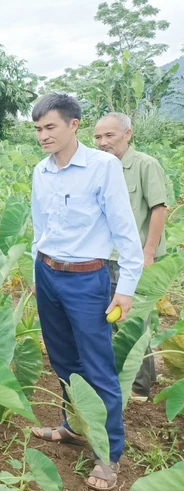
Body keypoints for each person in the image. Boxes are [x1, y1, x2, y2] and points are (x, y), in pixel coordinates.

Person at [28, 94, 143, 491]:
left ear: (74, 125)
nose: (43, 136)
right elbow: (38, 226)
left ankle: (108, 454)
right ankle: (73, 427)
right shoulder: (41, 171)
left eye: (50, 127)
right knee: (62, 360)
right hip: (48, 273)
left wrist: (125, 289)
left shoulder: (102, 167)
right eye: (38, 129)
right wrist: (35, 272)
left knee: (97, 367)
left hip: (86, 279)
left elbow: (125, 230)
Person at [95, 112, 167, 401]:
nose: (102, 142)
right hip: (104, 255)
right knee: (111, 316)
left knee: (135, 319)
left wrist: (147, 253)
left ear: (127, 134)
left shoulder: (145, 165)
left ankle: (139, 386)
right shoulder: (99, 166)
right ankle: (122, 376)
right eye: (98, 137)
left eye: (109, 135)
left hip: (133, 257)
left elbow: (158, 209)